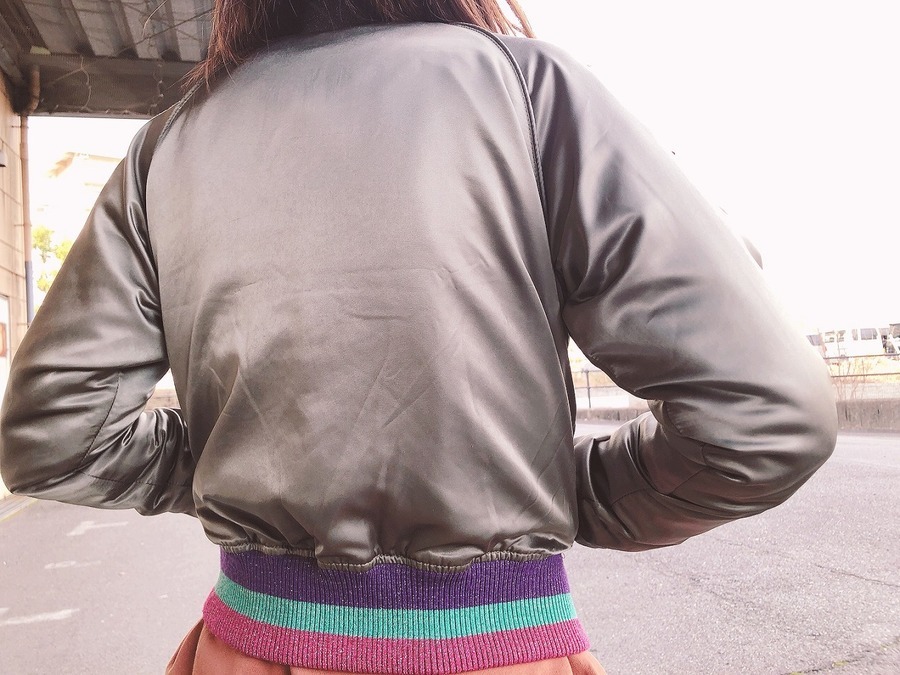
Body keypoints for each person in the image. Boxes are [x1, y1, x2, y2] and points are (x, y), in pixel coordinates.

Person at [0, 1, 838, 673]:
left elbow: (53, 437)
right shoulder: (526, 89)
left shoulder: (166, 146)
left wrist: (245, 475)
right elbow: (767, 412)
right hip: (493, 650)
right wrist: (571, 493)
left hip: (249, 647)